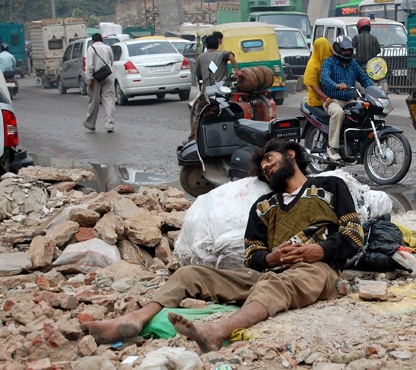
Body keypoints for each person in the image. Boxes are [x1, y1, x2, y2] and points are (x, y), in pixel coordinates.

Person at [81, 138, 364, 353]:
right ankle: (135, 319)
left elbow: (354, 236)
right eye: (263, 167)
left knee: (274, 285)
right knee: (189, 274)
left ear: (291, 155)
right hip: (269, 273)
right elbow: (253, 255)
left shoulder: (330, 186)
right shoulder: (263, 206)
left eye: (269, 158)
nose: (265, 167)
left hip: (316, 270)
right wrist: (270, 258)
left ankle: (217, 331)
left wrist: (320, 251)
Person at [320, 35, 373, 161]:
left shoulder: (352, 64)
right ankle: (332, 147)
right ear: (338, 50)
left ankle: (358, 144)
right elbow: (324, 78)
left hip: (349, 100)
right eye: (345, 50)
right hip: (332, 100)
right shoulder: (329, 62)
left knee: (364, 112)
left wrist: (373, 90)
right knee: (338, 113)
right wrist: (336, 85)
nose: (347, 52)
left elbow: (364, 78)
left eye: (349, 50)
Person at [188, 33, 241, 141]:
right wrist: (237, 70)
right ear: (218, 44)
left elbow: (198, 75)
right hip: (222, 92)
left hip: (207, 92)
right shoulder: (222, 54)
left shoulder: (201, 57)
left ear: (206, 45)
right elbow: (230, 54)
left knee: (198, 114)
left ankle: (193, 139)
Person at [83, 34, 115, 133]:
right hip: (108, 75)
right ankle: (109, 125)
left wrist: (89, 80)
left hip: (96, 77)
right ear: (102, 40)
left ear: (93, 41)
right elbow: (112, 62)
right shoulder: (108, 48)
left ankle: (91, 124)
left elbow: (89, 66)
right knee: (109, 99)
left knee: (94, 100)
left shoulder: (91, 49)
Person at [304, 37, 334, 108]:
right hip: (317, 99)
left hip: (333, 97)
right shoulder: (313, 64)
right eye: (323, 48)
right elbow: (313, 85)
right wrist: (326, 98)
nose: (325, 51)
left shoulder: (333, 61)